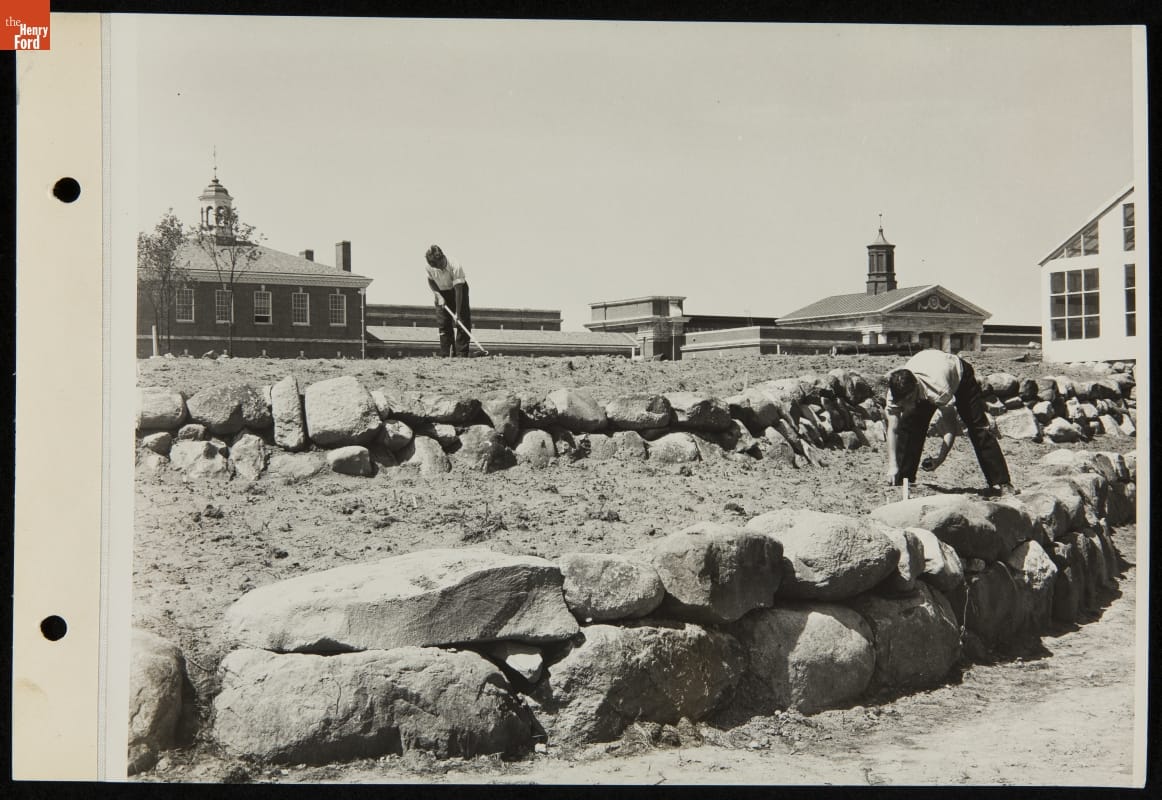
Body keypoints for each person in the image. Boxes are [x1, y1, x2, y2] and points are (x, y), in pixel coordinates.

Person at [883, 348, 1016, 496]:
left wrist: (940, 459)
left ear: (915, 389)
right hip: (927, 370)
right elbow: (893, 429)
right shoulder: (894, 394)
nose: (905, 406)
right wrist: (892, 466)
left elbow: (950, 429)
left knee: (978, 427)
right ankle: (902, 478)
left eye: (908, 401)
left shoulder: (940, 390)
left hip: (959, 376)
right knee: (909, 426)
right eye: (902, 402)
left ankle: (1001, 482)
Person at [424, 244, 473, 357]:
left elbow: (458, 290)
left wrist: (458, 313)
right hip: (441, 292)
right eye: (437, 267)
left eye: (441, 264)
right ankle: (447, 354)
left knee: (462, 320)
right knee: (443, 322)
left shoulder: (455, 265)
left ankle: (461, 354)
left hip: (458, 290)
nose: (440, 268)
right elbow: (431, 282)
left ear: (443, 256)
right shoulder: (429, 267)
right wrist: (439, 296)